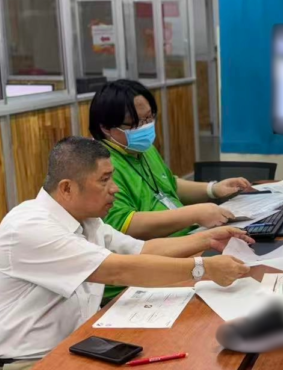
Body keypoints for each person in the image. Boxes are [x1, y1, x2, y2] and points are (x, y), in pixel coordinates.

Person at [0, 136, 250, 370]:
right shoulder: (31, 227)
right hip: (20, 367)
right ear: (67, 188)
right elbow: (118, 270)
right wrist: (203, 268)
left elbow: (142, 251)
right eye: (104, 180)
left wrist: (207, 239)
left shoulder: (87, 220)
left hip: (74, 346)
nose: (115, 189)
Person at [89, 80, 254, 302]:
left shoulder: (140, 149)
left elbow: (168, 185)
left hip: (187, 244)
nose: (145, 127)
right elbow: (125, 226)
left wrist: (213, 189)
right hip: (153, 266)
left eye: (149, 118)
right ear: (105, 128)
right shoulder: (102, 165)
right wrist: (193, 214)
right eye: (135, 124)